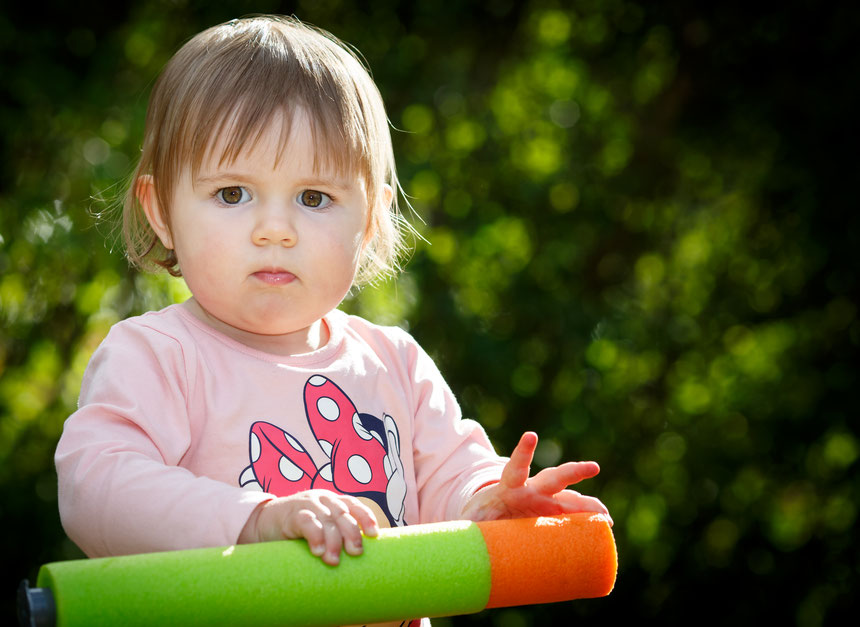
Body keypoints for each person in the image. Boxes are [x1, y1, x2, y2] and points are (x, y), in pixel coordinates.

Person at [56, 15, 610, 623]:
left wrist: (492, 502)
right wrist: (256, 519)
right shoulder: (158, 356)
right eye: (232, 194)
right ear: (161, 210)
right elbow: (97, 488)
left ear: (367, 221)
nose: (275, 229)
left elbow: (454, 474)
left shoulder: (392, 363)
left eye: (313, 198)